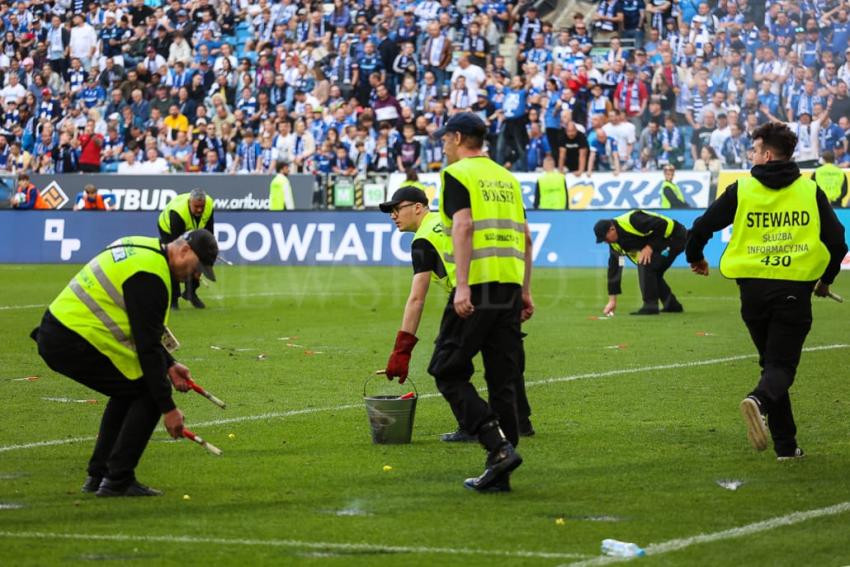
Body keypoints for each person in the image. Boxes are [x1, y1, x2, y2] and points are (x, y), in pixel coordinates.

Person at [686, 122, 847, 460]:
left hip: (753, 293)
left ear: (768, 154)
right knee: (780, 369)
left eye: (755, 150)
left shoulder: (742, 189)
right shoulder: (809, 191)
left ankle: (786, 447)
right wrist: (827, 279)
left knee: (772, 366)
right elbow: (836, 241)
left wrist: (696, 257)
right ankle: (758, 401)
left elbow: (701, 226)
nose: (752, 155)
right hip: (793, 291)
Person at [31, 230, 219, 496]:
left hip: (62, 330)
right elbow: (147, 346)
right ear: (184, 251)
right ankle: (118, 479)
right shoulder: (151, 277)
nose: (197, 275)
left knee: (131, 386)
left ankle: (99, 476)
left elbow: (144, 330)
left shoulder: (144, 248)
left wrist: (170, 363)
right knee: (149, 392)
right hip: (73, 338)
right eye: (199, 268)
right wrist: (169, 408)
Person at [426, 112, 533, 492]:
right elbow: (525, 236)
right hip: (508, 287)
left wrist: (463, 287)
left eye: (444, 138)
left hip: (478, 287)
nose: (442, 144)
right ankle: (502, 467)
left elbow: (464, 225)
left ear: (457, 137)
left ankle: (496, 445)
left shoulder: (457, 175)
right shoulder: (507, 178)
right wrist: (525, 290)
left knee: (446, 369)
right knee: (502, 379)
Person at [379, 184, 535, 444]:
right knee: (504, 359)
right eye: (391, 212)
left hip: (469, 297)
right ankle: (521, 422)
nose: (393, 215)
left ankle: (474, 426)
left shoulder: (423, 240)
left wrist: (402, 348)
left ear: (418, 207)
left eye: (397, 209)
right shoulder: (450, 219)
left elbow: (417, 298)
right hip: (502, 284)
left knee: (448, 366)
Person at [594, 210, 687, 315]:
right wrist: (612, 300)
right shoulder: (615, 245)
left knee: (646, 264)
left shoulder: (633, 219)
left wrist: (650, 247)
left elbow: (662, 224)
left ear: (612, 229)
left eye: (605, 238)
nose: (606, 242)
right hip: (661, 243)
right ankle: (672, 305)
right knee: (651, 271)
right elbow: (615, 270)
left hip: (675, 237)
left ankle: (650, 306)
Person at [157, 189, 216, 309]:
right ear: (190, 202)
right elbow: (178, 248)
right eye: (196, 206)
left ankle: (190, 292)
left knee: (199, 260)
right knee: (174, 263)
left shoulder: (209, 204)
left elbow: (209, 233)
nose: (200, 209)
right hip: (169, 231)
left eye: (202, 206)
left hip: (190, 229)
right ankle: (173, 299)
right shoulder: (177, 213)